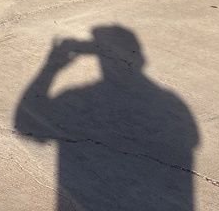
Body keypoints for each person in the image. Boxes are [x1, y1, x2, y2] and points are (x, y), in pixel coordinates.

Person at [14, 25, 199, 210]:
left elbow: (25, 123)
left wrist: (51, 66)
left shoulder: (78, 101)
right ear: (140, 58)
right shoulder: (172, 105)